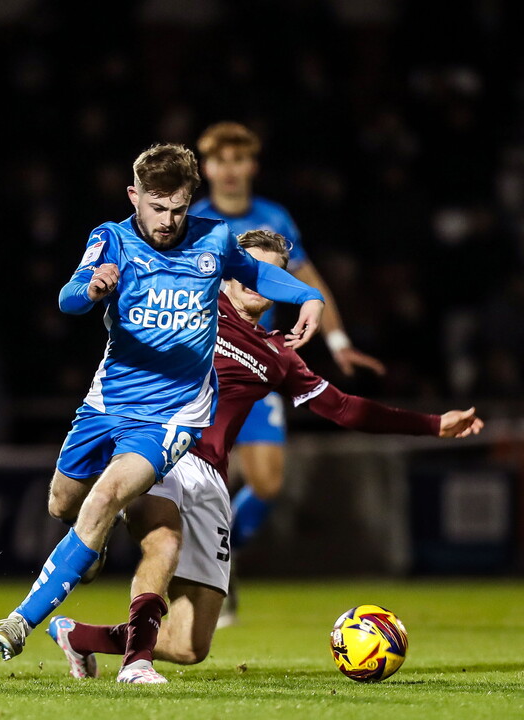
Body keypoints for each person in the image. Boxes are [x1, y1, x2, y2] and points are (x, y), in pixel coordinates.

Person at [45, 230, 484, 681]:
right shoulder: (192, 308)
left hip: (211, 477)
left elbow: (345, 409)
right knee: (163, 545)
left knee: (189, 645)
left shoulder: (279, 355)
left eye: (271, 272)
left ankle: (79, 635)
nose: (257, 278)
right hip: (161, 452)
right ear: (229, 272)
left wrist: (432, 424)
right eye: (249, 267)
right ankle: (135, 664)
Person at [0, 143, 325, 683]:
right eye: (157, 207)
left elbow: (259, 277)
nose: (167, 221)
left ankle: (20, 622)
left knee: (106, 499)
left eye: (177, 209)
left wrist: (310, 295)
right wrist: (91, 288)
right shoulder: (111, 238)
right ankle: (87, 552)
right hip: (105, 404)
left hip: (172, 416)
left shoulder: (214, 237)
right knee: (62, 504)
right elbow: (68, 298)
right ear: (134, 196)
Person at [190, 121, 387, 624]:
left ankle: (220, 558)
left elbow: (307, 278)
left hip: (258, 367)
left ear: (252, 166)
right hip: (203, 370)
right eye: (221, 160)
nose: (230, 170)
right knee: (194, 478)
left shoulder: (274, 218)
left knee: (269, 482)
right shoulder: (194, 221)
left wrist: (338, 340)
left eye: (240, 159)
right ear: (207, 168)